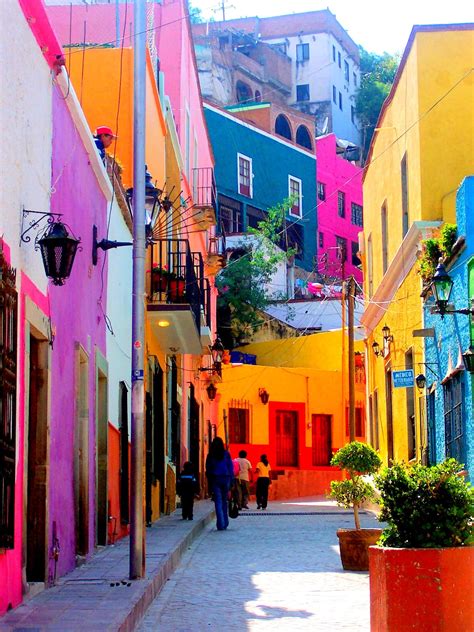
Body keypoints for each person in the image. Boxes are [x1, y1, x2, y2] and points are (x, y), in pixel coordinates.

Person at [205, 437, 234, 530]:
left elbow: (208, 469)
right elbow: (230, 468)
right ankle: (225, 522)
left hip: (215, 479)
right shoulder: (226, 454)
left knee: (218, 502)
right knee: (224, 501)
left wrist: (209, 482)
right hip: (226, 479)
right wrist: (231, 482)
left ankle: (220, 524)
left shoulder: (210, 455)